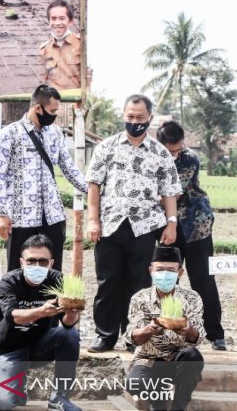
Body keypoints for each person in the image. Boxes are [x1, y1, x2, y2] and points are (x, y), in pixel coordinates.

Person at [86, 94, 182, 353]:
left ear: (150, 118)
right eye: (130, 116)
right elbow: (94, 185)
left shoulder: (160, 153)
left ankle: (134, 337)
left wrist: (171, 223)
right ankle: (105, 336)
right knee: (108, 282)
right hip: (111, 224)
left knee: (138, 284)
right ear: (123, 115)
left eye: (140, 117)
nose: (134, 121)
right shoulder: (107, 147)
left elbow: (169, 191)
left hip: (145, 226)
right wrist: (93, 220)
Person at [0, 84, 88, 272]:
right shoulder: (10, 134)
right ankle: (15, 303)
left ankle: (51, 302)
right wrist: (2, 214)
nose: (54, 115)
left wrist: (93, 191)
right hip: (21, 216)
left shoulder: (55, 134)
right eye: (52, 111)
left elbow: (69, 168)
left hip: (52, 215)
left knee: (52, 271)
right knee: (17, 270)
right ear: (38, 108)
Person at [0, 234, 82, 411]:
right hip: (10, 349)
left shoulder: (59, 280)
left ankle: (60, 397)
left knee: (70, 334)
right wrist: (41, 312)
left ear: (51, 263)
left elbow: (68, 323)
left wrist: (71, 316)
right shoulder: (8, 282)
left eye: (42, 261)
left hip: (41, 345)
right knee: (4, 404)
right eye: (31, 261)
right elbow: (12, 316)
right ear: (21, 262)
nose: (36, 266)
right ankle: (17, 384)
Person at [157, 121, 226, 351]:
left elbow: (171, 193)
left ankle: (215, 334)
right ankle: (166, 328)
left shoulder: (189, 159)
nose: (175, 155)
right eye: (170, 151)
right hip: (167, 227)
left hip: (196, 226)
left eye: (178, 149)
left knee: (203, 280)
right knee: (167, 280)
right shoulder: (152, 156)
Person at [125, 246, 205, 411]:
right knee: (134, 383)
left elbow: (197, 338)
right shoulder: (140, 298)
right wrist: (151, 328)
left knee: (193, 356)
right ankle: (158, 405)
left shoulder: (192, 298)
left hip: (178, 361)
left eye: (171, 270)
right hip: (148, 360)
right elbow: (134, 337)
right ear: (151, 270)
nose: (165, 274)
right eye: (160, 269)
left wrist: (186, 328)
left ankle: (178, 407)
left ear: (180, 272)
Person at [38, 0, 84, 91]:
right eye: (53, 18)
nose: (57, 23)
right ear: (49, 22)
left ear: (70, 21)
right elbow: (44, 81)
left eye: (62, 18)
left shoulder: (81, 44)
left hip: (76, 102)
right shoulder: (44, 49)